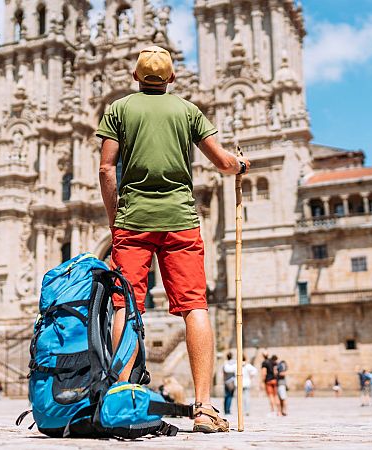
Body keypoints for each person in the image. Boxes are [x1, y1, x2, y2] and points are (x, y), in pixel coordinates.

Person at [96, 45, 249, 434]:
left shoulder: (118, 109)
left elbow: (106, 168)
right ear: (172, 78)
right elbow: (222, 162)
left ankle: (120, 396)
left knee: (126, 307)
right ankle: (203, 408)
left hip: (133, 222)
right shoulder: (188, 111)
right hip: (181, 220)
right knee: (195, 307)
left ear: (134, 77)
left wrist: (116, 220)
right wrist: (240, 164)